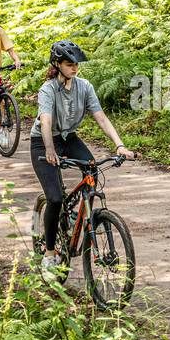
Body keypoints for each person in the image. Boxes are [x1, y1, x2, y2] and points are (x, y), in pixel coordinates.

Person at [31, 40, 135, 283]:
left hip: (68, 138)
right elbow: (45, 121)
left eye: (76, 64)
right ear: (57, 65)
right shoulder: (48, 89)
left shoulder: (84, 87)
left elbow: (101, 118)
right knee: (55, 198)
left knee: (91, 171)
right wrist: (49, 150)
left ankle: (78, 212)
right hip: (44, 141)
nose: (75, 68)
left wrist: (119, 145)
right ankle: (49, 253)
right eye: (69, 65)